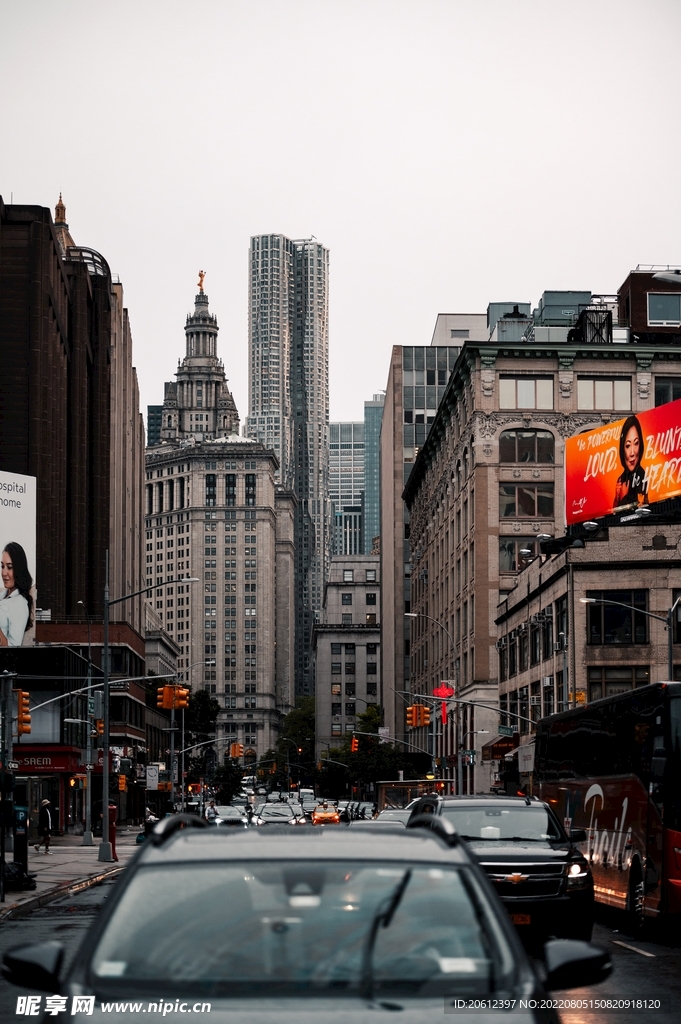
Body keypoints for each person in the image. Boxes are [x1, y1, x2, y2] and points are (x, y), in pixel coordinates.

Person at [0, 543, 33, 647]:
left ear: (19, 570)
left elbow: (13, 648)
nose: (4, 572)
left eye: (9, 567)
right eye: (2, 566)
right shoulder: (3, 595)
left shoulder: (20, 604)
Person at [614, 415, 648, 508]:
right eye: (628, 445)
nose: (632, 453)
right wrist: (617, 498)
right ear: (622, 448)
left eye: (636, 443)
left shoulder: (644, 475)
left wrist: (624, 496)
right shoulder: (621, 480)